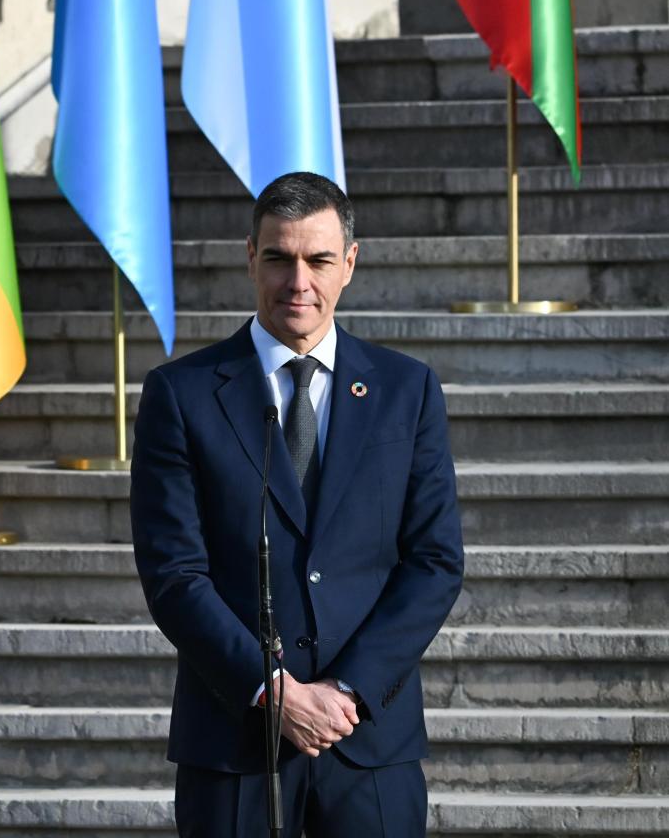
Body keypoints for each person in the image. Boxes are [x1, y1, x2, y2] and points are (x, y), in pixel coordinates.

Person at [130, 171, 464, 837]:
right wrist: (273, 690)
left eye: (317, 260)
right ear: (251, 257)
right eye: (279, 258)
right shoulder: (182, 394)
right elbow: (174, 574)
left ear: (350, 263)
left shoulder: (408, 390)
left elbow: (433, 561)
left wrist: (345, 692)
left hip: (368, 738)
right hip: (234, 741)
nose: (298, 282)